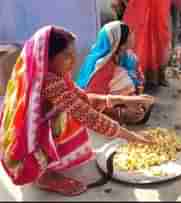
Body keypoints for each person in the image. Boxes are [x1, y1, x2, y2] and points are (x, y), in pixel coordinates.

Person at [0, 26, 154, 196]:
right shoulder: (49, 83)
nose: (73, 61)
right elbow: (88, 116)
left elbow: (84, 99)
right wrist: (133, 137)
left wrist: (130, 100)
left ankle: (48, 159)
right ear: (47, 57)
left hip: (31, 132)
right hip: (23, 147)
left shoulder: (55, 75)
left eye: (73, 54)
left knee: (71, 113)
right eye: (67, 55)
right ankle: (41, 175)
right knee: (73, 116)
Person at [75, 21, 151, 125]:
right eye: (130, 34)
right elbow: (90, 100)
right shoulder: (103, 66)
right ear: (121, 43)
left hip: (120, 100)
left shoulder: (127, 57)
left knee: (146, 106)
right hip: (105, 105)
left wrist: (137, 98)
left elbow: (139, 79)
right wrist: (120, 114)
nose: (133, 35)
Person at [123, 0, 173, 89]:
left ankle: (158, 75)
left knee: (160, 36)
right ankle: (139, 76)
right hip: (141, 6)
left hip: (159, 6)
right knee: (141, 36)